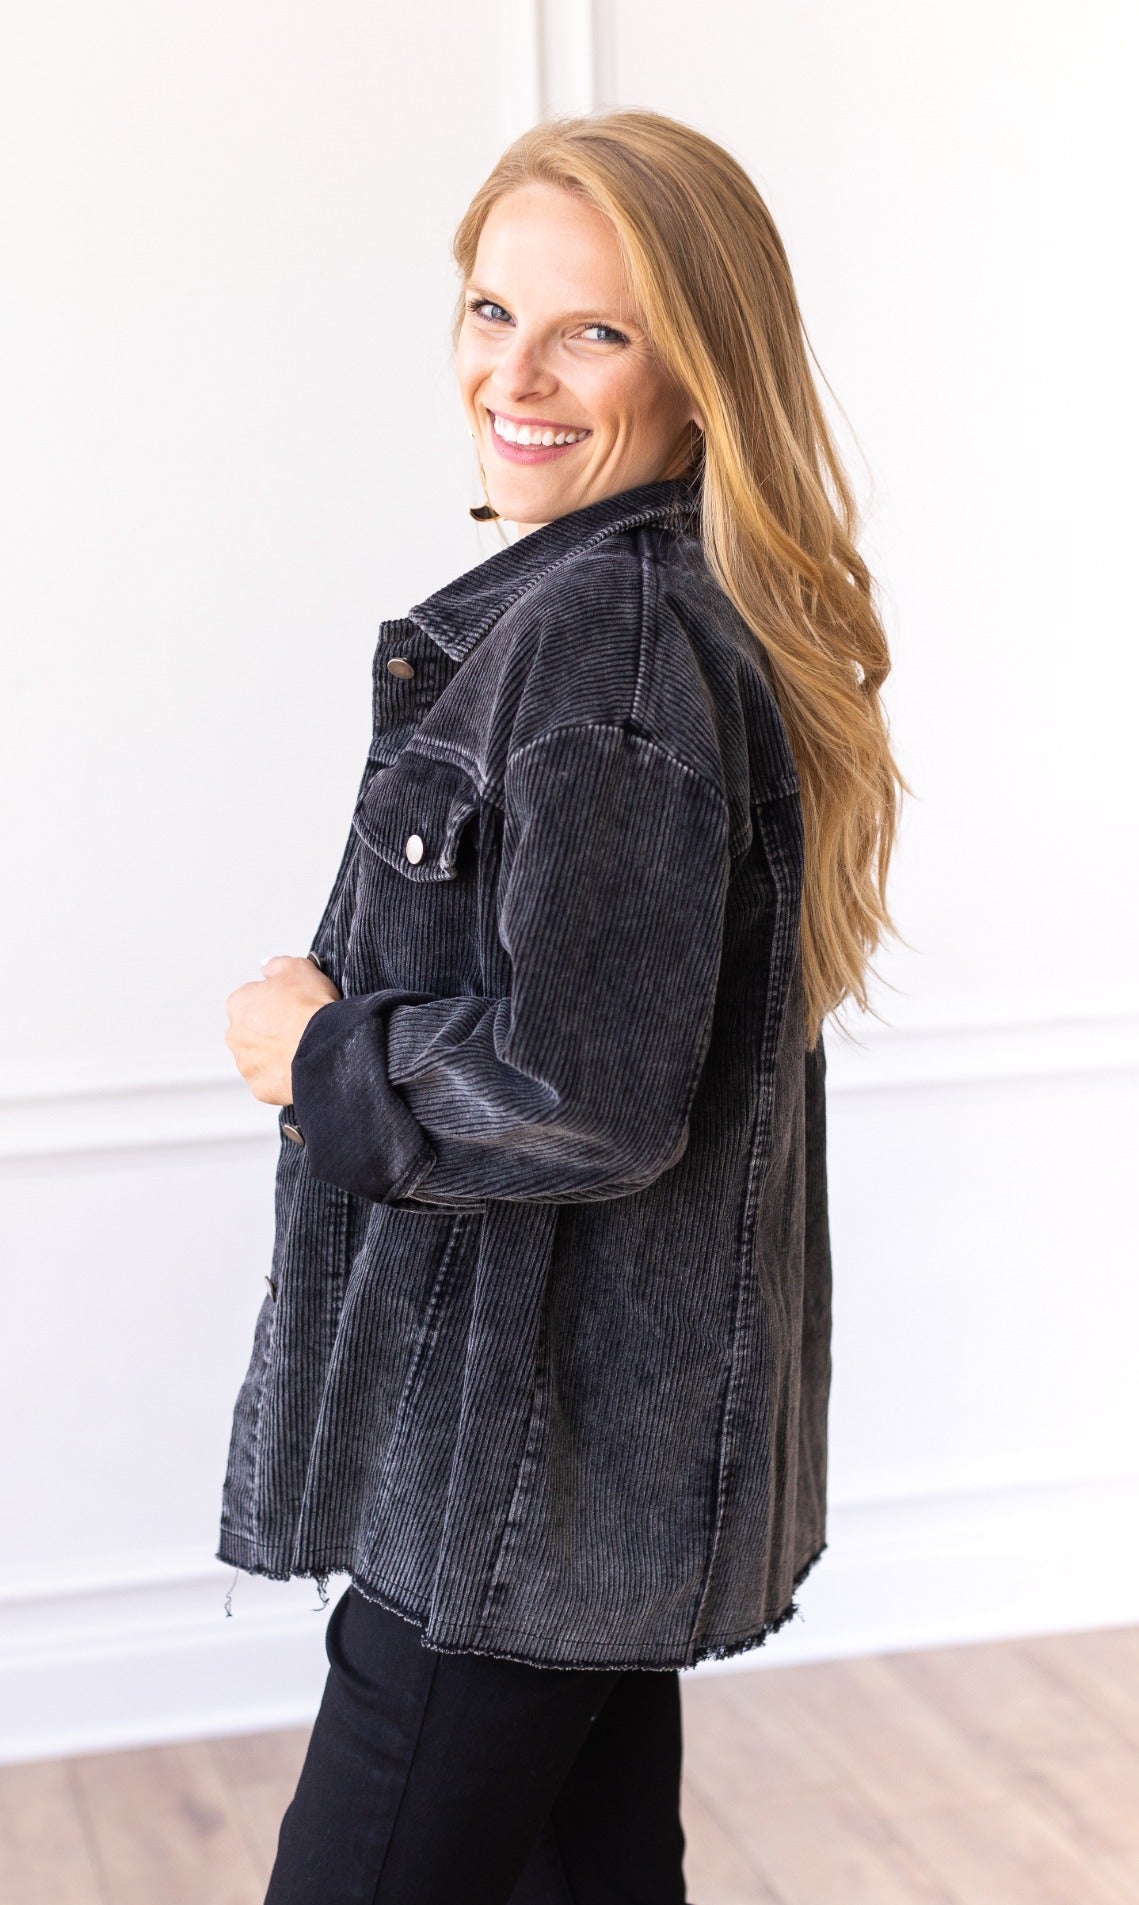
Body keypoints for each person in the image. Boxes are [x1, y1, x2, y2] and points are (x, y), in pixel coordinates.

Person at [220, 106, 904, 1905]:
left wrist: (316, 1053)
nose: (513, 376)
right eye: (489, 310)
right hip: (564, 1472)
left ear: (699, 367)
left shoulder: (604, 638)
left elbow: (578, 1088)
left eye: (591, 329)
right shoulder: (645, 604)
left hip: (507, 1477)